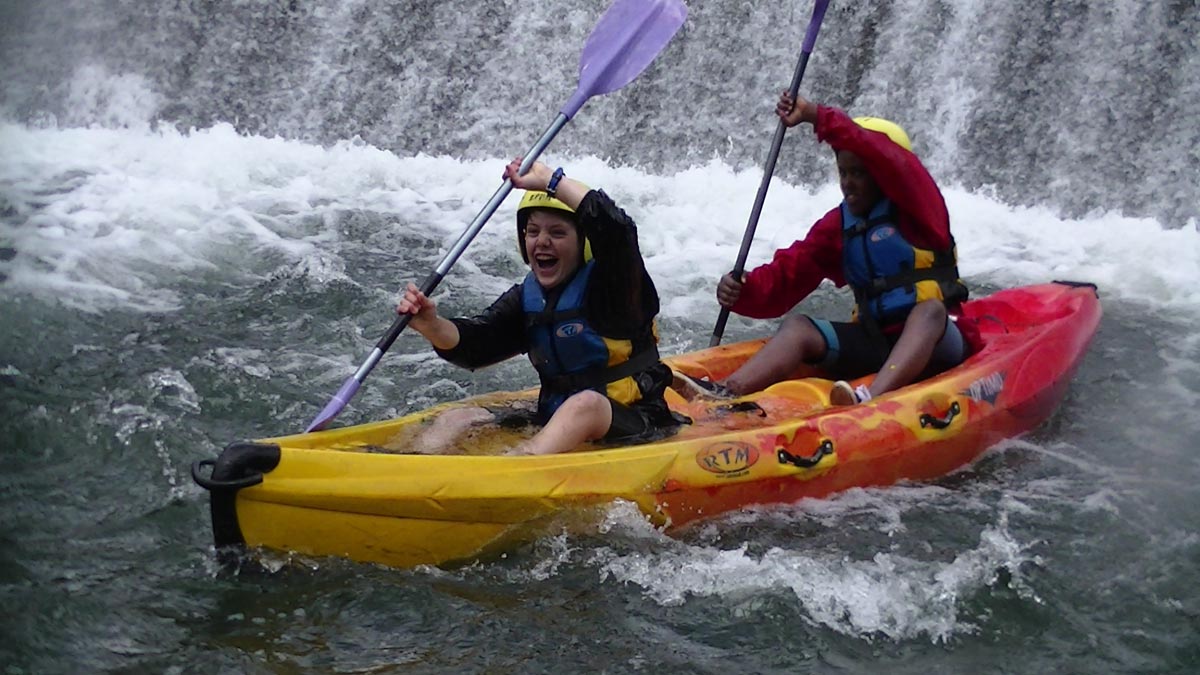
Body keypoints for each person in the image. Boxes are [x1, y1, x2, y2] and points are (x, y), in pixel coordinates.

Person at [677, 92, 971, 406]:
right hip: (876, 342)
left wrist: (816, 115)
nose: (848, 183)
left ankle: (870, 399)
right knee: (799, 327)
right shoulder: (839, 225)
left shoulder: (922, 210)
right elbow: (790, 276)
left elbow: (888, 158)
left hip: (937, 342)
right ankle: (724, 393)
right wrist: (744, 292)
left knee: (929, 310)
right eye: (843, 172)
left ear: (885, 176)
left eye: (858, 173)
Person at [396, 158, 682, 455]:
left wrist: (550, 180)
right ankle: (408, 468)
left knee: (586, 404)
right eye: (533, 232)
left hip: (640, 424)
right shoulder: (527, 298)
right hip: (555, 419)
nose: (542, 242)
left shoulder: (615, 288)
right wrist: (433, 326)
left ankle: (515, 469)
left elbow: (618, 231)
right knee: (460, 416)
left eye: (557, 233)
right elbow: (478, 344)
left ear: (583, 242)